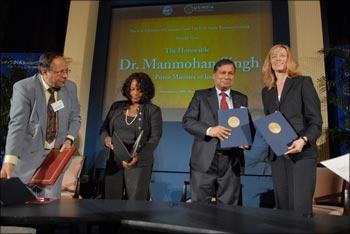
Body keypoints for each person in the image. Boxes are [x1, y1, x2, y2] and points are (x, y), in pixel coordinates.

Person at [0, 52, 81, 199]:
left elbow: (75, 117)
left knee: (51, 207)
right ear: (45, 71)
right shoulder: (24, 88)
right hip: (28, 157)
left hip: (55, 159)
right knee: (21, 206)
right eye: (60, 72)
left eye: (66, 70)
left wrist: (69, 139)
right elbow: (17, 125)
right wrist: (10, 160)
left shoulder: (70, 87)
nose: (65, 76)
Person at [261, 44, 322, 217]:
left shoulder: (303, 83)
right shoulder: (267, 91)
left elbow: (316, 121)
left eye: (282, 55)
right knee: (283, 210)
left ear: (289, 60)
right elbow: (270, 123)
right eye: (274, 56)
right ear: (269, 62)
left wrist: (303, 140)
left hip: (302, 154)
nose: (278, 59)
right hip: (278, 155)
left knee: (300, 210)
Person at [182, 58, 248, 205]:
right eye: (222, 72)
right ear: (214, 75)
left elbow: (246, 126)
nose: (226, 76)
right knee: (200, 209)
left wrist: (246, 141)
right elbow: (187, 121)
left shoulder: (241, 98)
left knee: (230, 210)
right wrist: (210, 130)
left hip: (231, 161)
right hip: (205, 160)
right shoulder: (201, 96)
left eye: (230, 73)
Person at [100, 72, 162, 200]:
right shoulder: (116, 106)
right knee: (111, 204)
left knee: (135, 206)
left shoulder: (153, 110)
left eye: (139, 90)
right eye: (132, 89)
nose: (135, 93)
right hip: (114, 161)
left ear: (146, 91)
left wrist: (138, 156)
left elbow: (154, 139)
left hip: (138, 163)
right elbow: (104, 129)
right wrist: (106, 139)